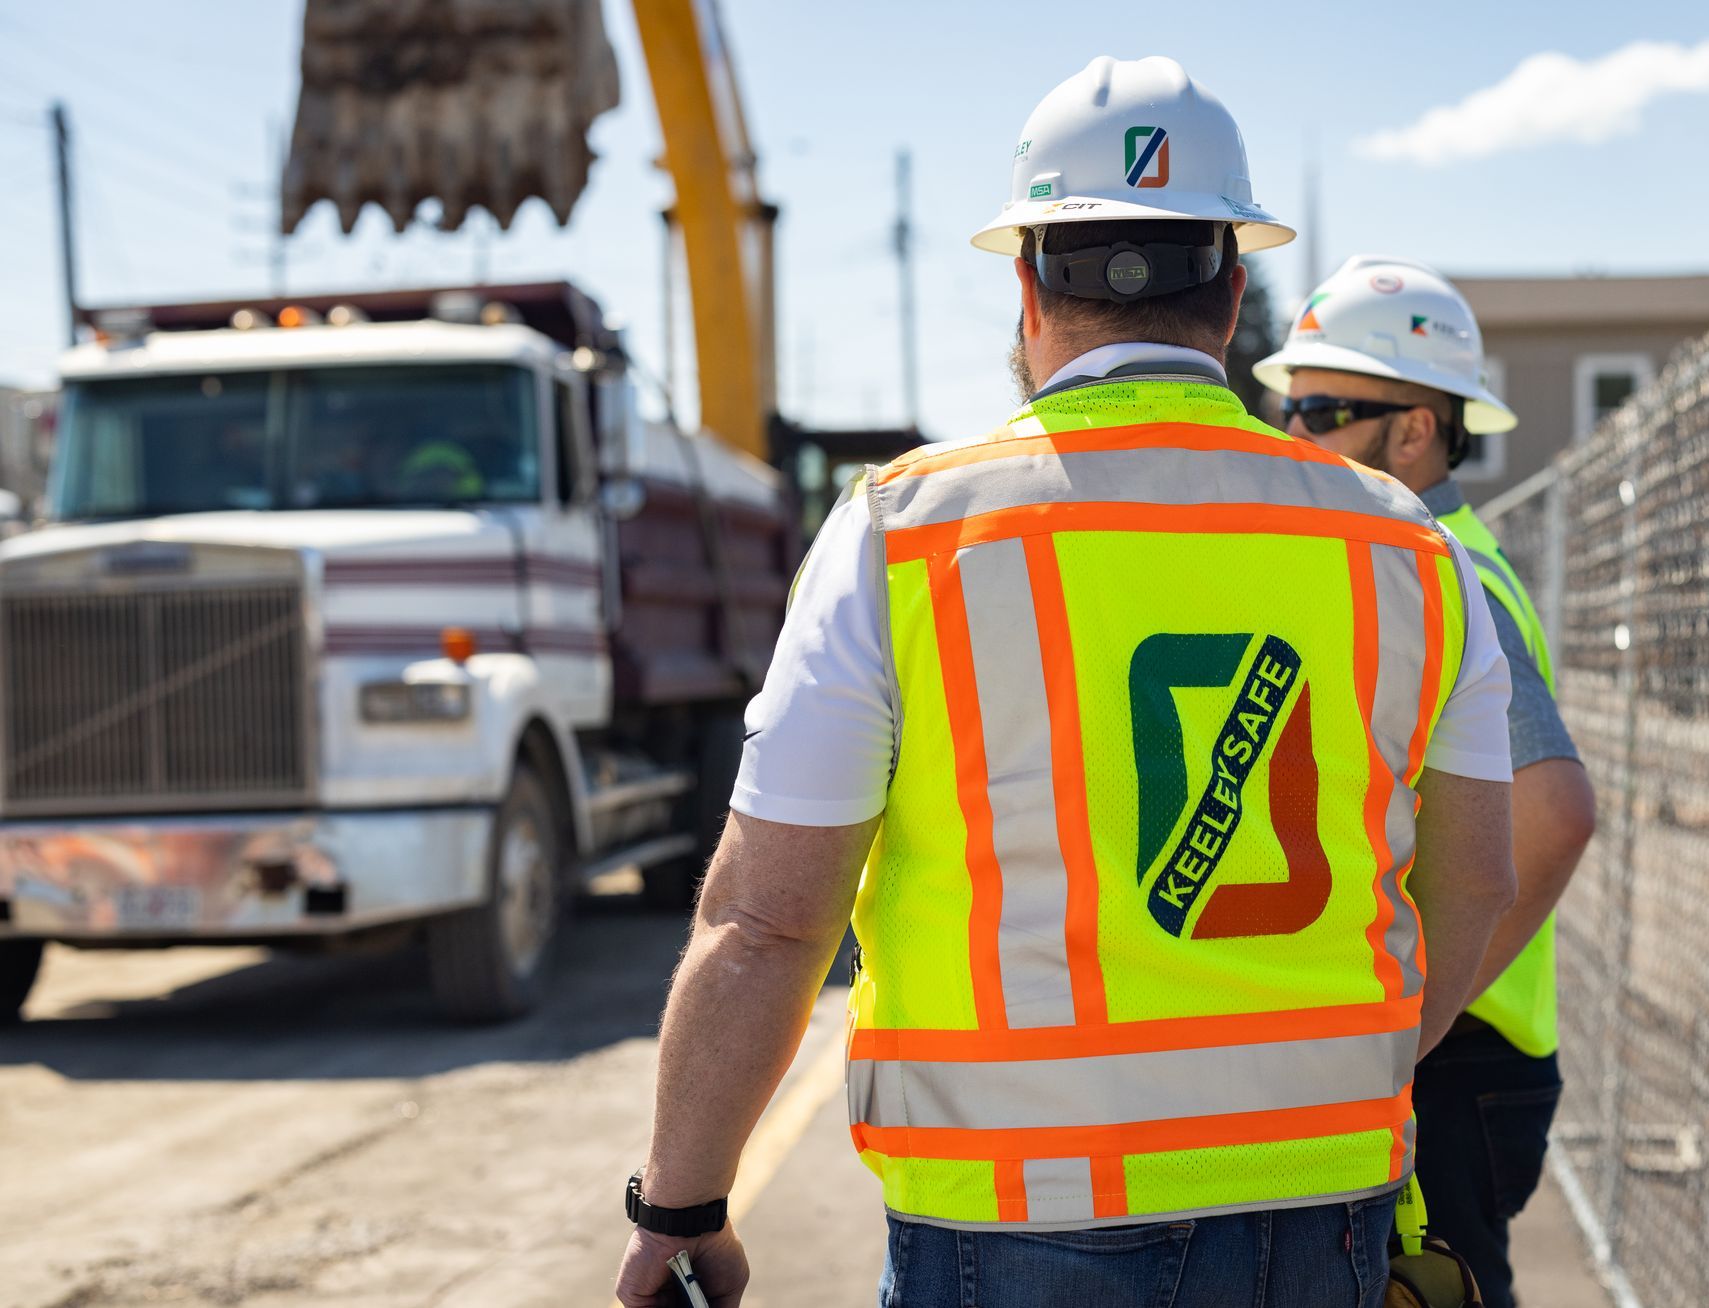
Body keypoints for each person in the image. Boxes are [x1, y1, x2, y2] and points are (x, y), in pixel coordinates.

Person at [614, 60, 1519, 1308]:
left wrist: (682, 1203)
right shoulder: (1408, 548)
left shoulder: (905, 533)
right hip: (1322, 1203)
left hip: (1013, 1210)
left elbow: (767, 923)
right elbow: (1475, 881)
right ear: (1235, 286)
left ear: (1029, 281)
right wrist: (1341, 1071)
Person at [1255, 256, 1598, 1308]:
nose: (1289, 435)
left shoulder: (1437, 562)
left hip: (1449, 1055)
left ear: (1413, 431)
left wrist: (1408, 1030)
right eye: (1286, 407)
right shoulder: (1412, 558)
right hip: (1458, 1042)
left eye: (1319, 409)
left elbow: (1553, 816)